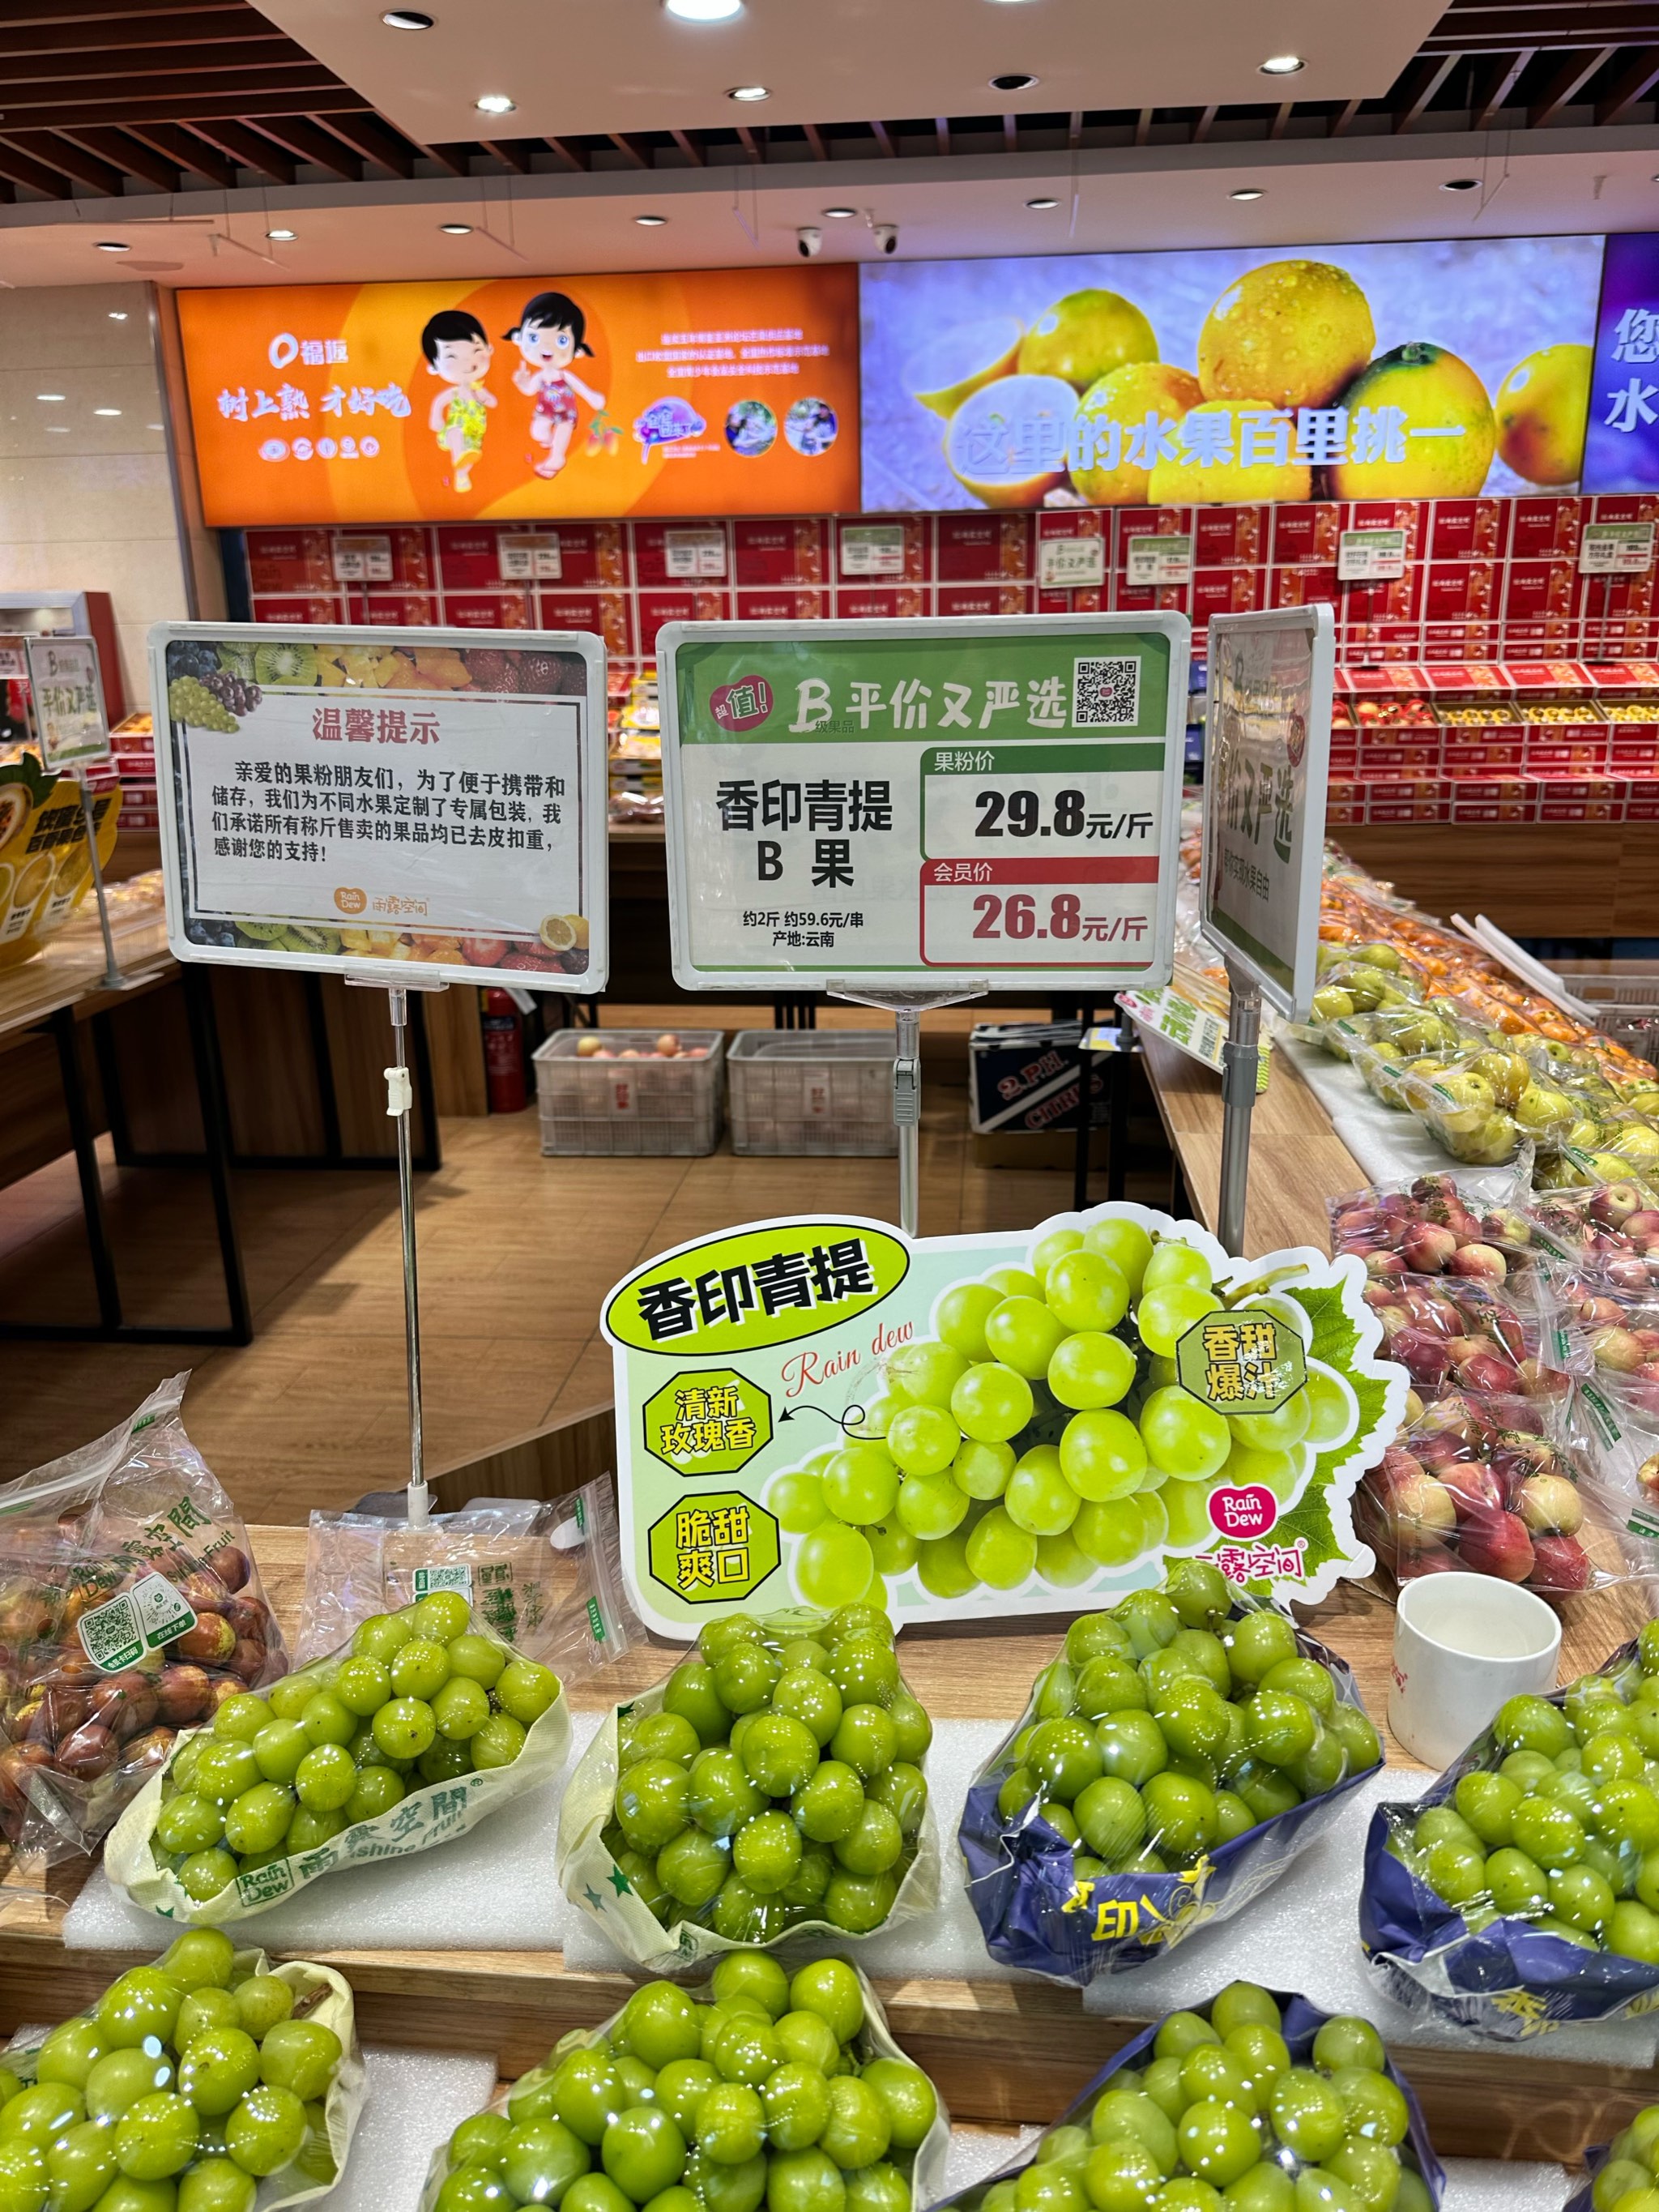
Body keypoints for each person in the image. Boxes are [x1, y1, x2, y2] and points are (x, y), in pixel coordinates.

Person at [505, 291, 605, 480]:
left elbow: (580, 387)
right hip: (545, 410)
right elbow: (529, 390)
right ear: (520, 337)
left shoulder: (564, 375)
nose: (547, 348)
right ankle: (549, 441)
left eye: (561, 340)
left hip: (566, 412)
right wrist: (522, 382)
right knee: (537, 432)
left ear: (577, 350)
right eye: (534, 338)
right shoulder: (541, 376)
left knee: (563, 430)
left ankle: (557, 457)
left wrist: (593, 398)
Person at [420, 309, 496, 493]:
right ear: (433, 367)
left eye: (476, 351)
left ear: (489, 349)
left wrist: (483, 396)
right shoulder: (453, 393)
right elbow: (439, 402)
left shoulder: (478, 389)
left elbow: (493, 403)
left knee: (471, 454)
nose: (467, 363)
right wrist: (436, 418)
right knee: (455, 433)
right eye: (452, 357)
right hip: (454, 429)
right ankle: (458, 459)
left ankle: (462, 474)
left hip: (474, 434)